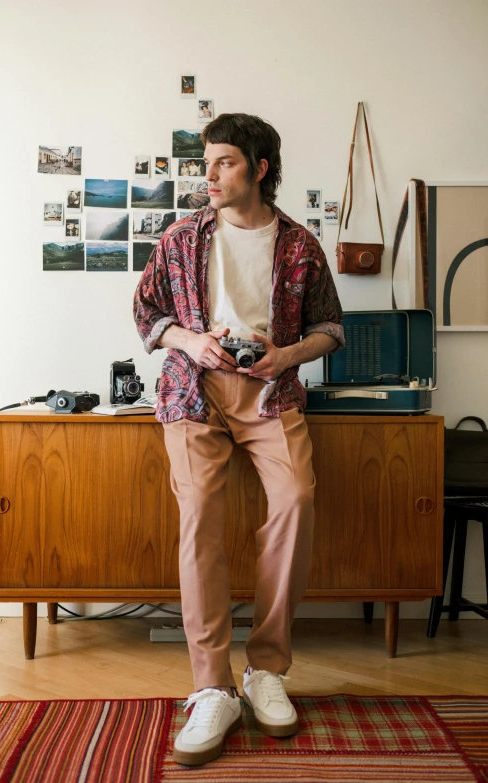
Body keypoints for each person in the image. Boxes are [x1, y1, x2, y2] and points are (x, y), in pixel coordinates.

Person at [133, 113, 344, 767]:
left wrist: (286, 357)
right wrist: (191, 341)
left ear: (259, 167)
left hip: (271, 394)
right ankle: (211, 686)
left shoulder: (300, 245)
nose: (210, 175)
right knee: (200, 517)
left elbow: (331, 328)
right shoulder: (181, 235)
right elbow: (148, 312)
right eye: (207, 163)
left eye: (223, 162)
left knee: (297, 499)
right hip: (193, 396)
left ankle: (267, 670)